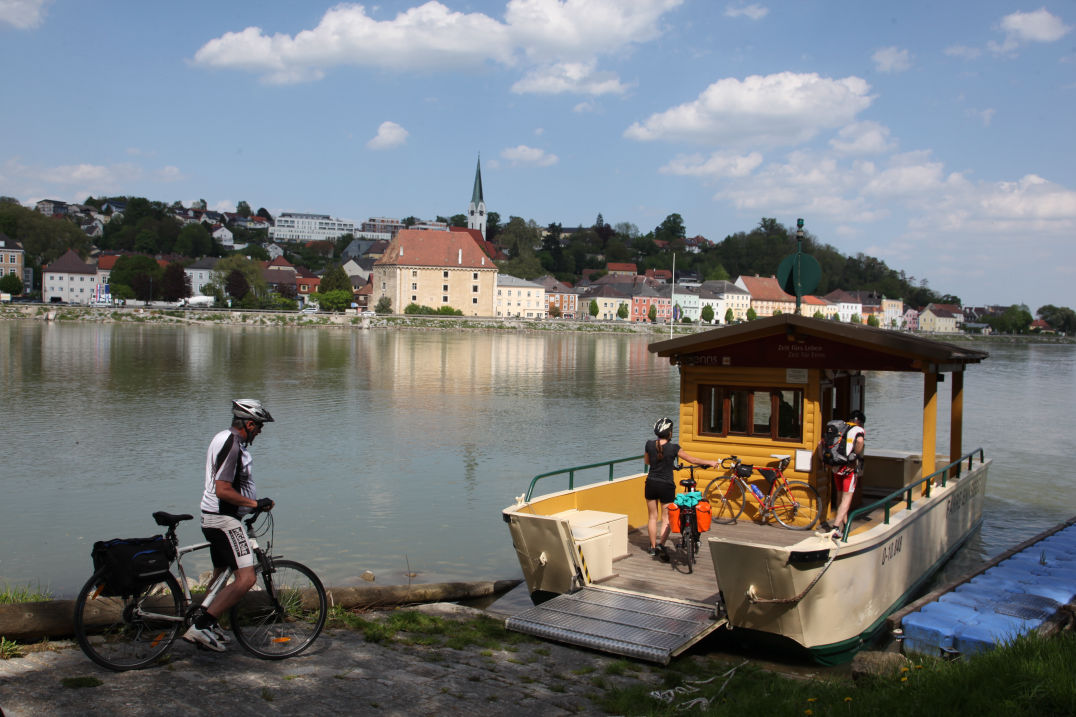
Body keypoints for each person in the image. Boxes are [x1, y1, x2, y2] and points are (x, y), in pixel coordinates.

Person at [183, 398, 276, 651]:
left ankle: (207, 621)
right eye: (259, 426)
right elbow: (223, 490)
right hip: (224, 519)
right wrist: (255, 504)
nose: (260, 431)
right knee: (245, 579)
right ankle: (200, 626)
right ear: (248, 424)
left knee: (221, 573)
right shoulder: (233, 444)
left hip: (214, 517)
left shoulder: (223, 437)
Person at [643, 417, 717, 559]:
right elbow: (693, 460)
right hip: (666, 486)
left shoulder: (649, 444)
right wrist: (710, 462)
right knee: (666, 518)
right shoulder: (673, 448)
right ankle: (661, 544)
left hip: (651, 483)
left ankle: (652, 547)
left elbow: (647, 462)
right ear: (670, 433)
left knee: (652, 517)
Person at [829, 409, 866, 538]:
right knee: (847, 498)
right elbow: (860, 441)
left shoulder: (840, 427)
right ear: (860, 422)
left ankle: (844, 525)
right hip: (848, 469)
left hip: (836, 467)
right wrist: (854, 457)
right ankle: (835, 528)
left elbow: (820, 443)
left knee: (840, 496)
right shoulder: (858, 430)